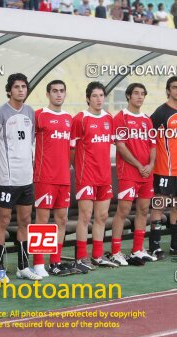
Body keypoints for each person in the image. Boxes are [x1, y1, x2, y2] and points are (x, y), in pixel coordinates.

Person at [0, 73, 42, 283]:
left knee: (26, 221)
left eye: (23, 86)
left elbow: (30, 141)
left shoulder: (30, 112)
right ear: (9, 90)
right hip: (6, 180)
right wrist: (0, 164)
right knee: (3, 221)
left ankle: (23, 266)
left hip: (26, 178)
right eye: (17, 87)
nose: (21, 90)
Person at [71, 81, 118, 272]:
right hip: (86, 176)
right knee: (85, 216)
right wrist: (80, 169)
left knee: (102, 215)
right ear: (88, 98)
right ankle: (81, 257)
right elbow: (72, 150)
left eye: (101, 96)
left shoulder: (109, 118)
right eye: (95, 96)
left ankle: (97, 256)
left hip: (104, 176)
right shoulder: (80, 119)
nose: (99, 99)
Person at [32, 80, 75, 277]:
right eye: (55, 91)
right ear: (48, 94)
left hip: (63, 178)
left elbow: (72, 150)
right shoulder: (39, 115)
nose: (59, 94)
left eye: (62, 91)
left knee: (62, 220)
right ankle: (39, 263)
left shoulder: (69, 118)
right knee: (42, 220)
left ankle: (55, 262)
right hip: (44, 177)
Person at [111, 83, 158, 266]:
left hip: (146, 174)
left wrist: (151, 164)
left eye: (142, 94)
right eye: (136, 93)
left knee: (144, 210)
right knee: (123, 211)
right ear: (129, 96)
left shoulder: (147, 119)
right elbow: (121, 146)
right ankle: (115, 251)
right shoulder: (121, 117)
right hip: (129, 173)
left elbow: (153, 145)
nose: (140, 97)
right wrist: (139, 165)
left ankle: (138, 249)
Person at [149, 76, 177, 259]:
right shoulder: (160, 113)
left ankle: (175, 246)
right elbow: (148, 137)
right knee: (159, 206)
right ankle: (155, 247)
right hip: (165, 169)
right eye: (174, 87)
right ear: (168, 90)